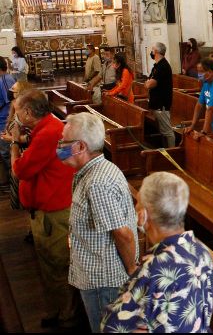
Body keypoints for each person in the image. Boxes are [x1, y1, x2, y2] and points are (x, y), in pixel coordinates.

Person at [101, 171, 213, 333]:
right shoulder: (201, 251)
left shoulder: (154, 268)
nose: (135, 208)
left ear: (144, 215)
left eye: (138, 202)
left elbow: (112, 326)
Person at [4, 90, 77, 329]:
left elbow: (20, 171)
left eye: (17, 110)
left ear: (27, 113)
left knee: (56, 263)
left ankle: (65, 313)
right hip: (55, 203)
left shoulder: (47, 133)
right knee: (52, 263)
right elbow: (57, 158)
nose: (15, 114)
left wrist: (15, 143)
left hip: (52, 211)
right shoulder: (55, 125)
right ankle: (61, 308)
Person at [59, 112, 138, 332]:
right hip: (97, 275)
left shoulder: (97, 183)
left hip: (103, 282)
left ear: (80, 147)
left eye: (64, 142)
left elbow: (123, 233)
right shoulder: (96, 169)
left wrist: (132, 268)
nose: (59, 146)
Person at [5, 80, 32, 211]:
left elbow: (30, 136)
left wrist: (13, 138)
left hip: (24, 154)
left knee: (27, 193)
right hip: (16, 152)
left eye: (13, 89)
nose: (10, 90)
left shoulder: (27, 111)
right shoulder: (14, 107)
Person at [145, 42, 175, 148]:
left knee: (167, 132)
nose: (151, 52)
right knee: (162, 131)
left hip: (161, 104)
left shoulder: (163, 66)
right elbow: (148, 81)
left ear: (156, 51)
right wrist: (148, 82)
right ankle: (166, 150)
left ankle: (172, 152)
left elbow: (150, 84)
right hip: (156, 104)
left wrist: (148, 82)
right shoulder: (156, 66)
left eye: (152, 50)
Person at [0, 58, 15, 191]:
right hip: (3, 120)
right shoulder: (6, 78)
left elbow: (9, 102)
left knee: (6, 152)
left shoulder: (5, 79)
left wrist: (7, 124)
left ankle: (13, 182)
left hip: (4, 121)